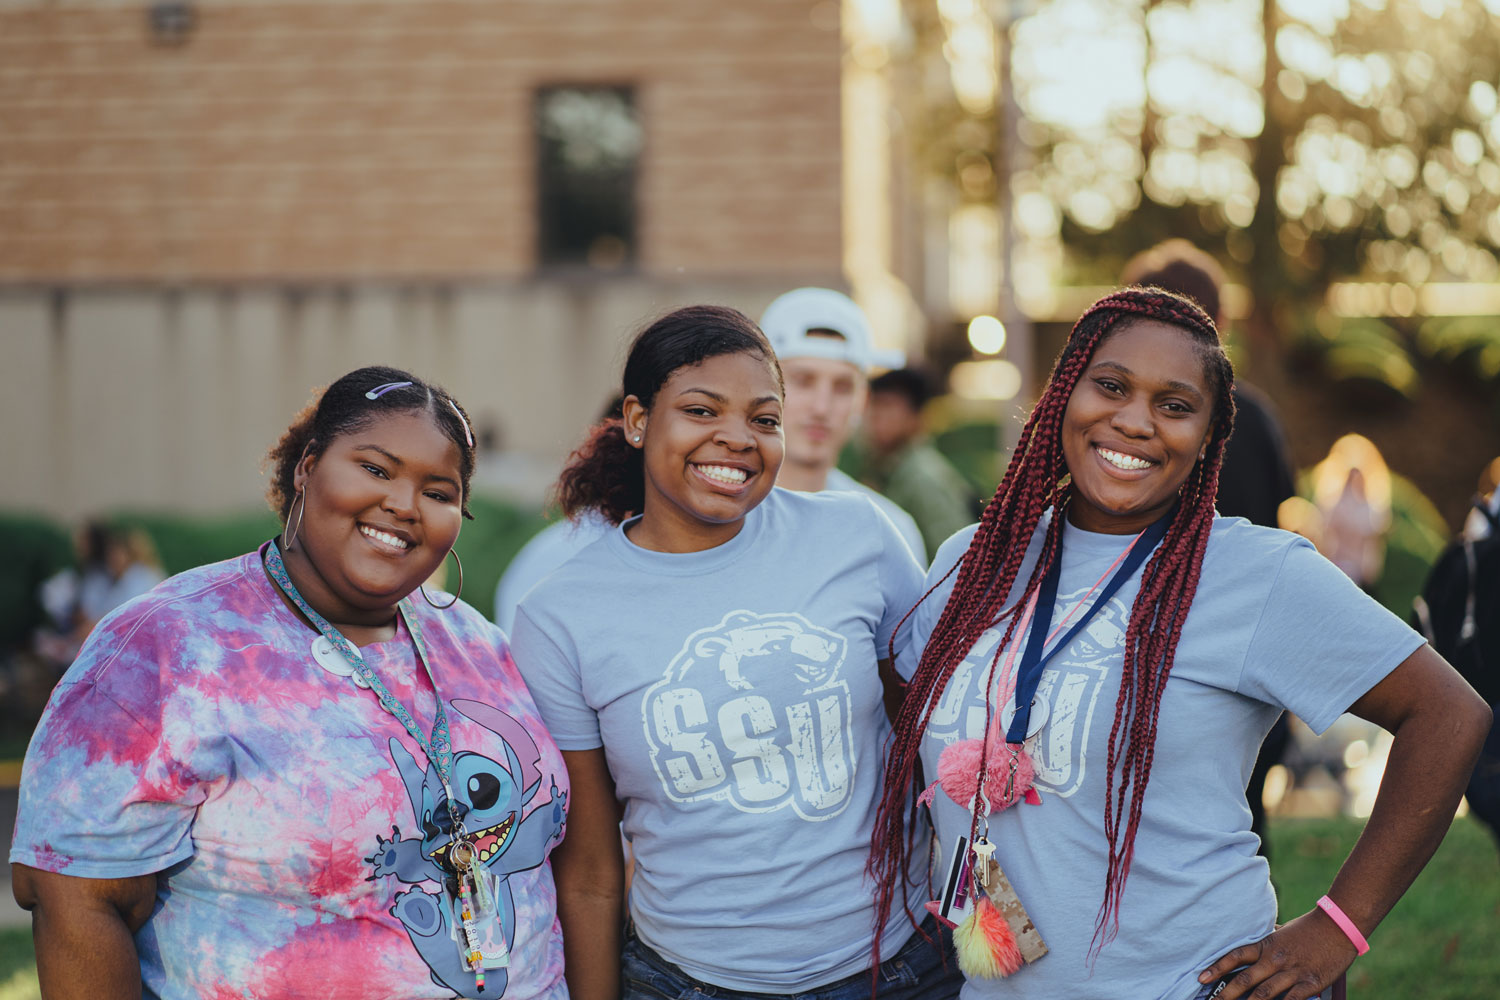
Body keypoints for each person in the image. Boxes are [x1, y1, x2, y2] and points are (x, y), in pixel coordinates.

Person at [868, 288, 1490, 1000]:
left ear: (1208, 434)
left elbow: (1448, 715)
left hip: (1190, 985)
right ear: (1063, 395)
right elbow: (903, 698)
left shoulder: (1254, 574)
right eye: (1110, 386)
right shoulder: (975, 559)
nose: (1135, 421)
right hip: (992, 983)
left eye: (1174, 405)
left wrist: (1335, 930)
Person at [11, 366, 569, 1000]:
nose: (405, 506)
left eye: (439, 492)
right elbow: (72, 894)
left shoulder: (476, 641)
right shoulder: (168, 644)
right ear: (306, 467)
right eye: (377, 470)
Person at [509, 306, 961, 1000]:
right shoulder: (559, 615)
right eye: (700, 410)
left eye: (764, 419)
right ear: (636, 419)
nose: (737, 439)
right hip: (687, 983)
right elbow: (592, 872)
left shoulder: (859, 538)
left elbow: (937, 741)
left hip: (898, 972)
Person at [1120, 240, 1298, 859]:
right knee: (1242, 830)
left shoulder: (1216, 421)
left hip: (1166, 647)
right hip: (1248, 652)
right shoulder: (1259, 417)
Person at [759, 287, 926, 560]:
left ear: (862, 401)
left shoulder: (888, 530)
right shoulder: (718, 515)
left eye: (843, 387)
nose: (821, 407)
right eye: (803, 381)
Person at [861, 367, 977, 557]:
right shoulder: (888, 469)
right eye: (874, 405)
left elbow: (956, 561)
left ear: (915, 416)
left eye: (888, 406)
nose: (876, 416)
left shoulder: (924, 478)